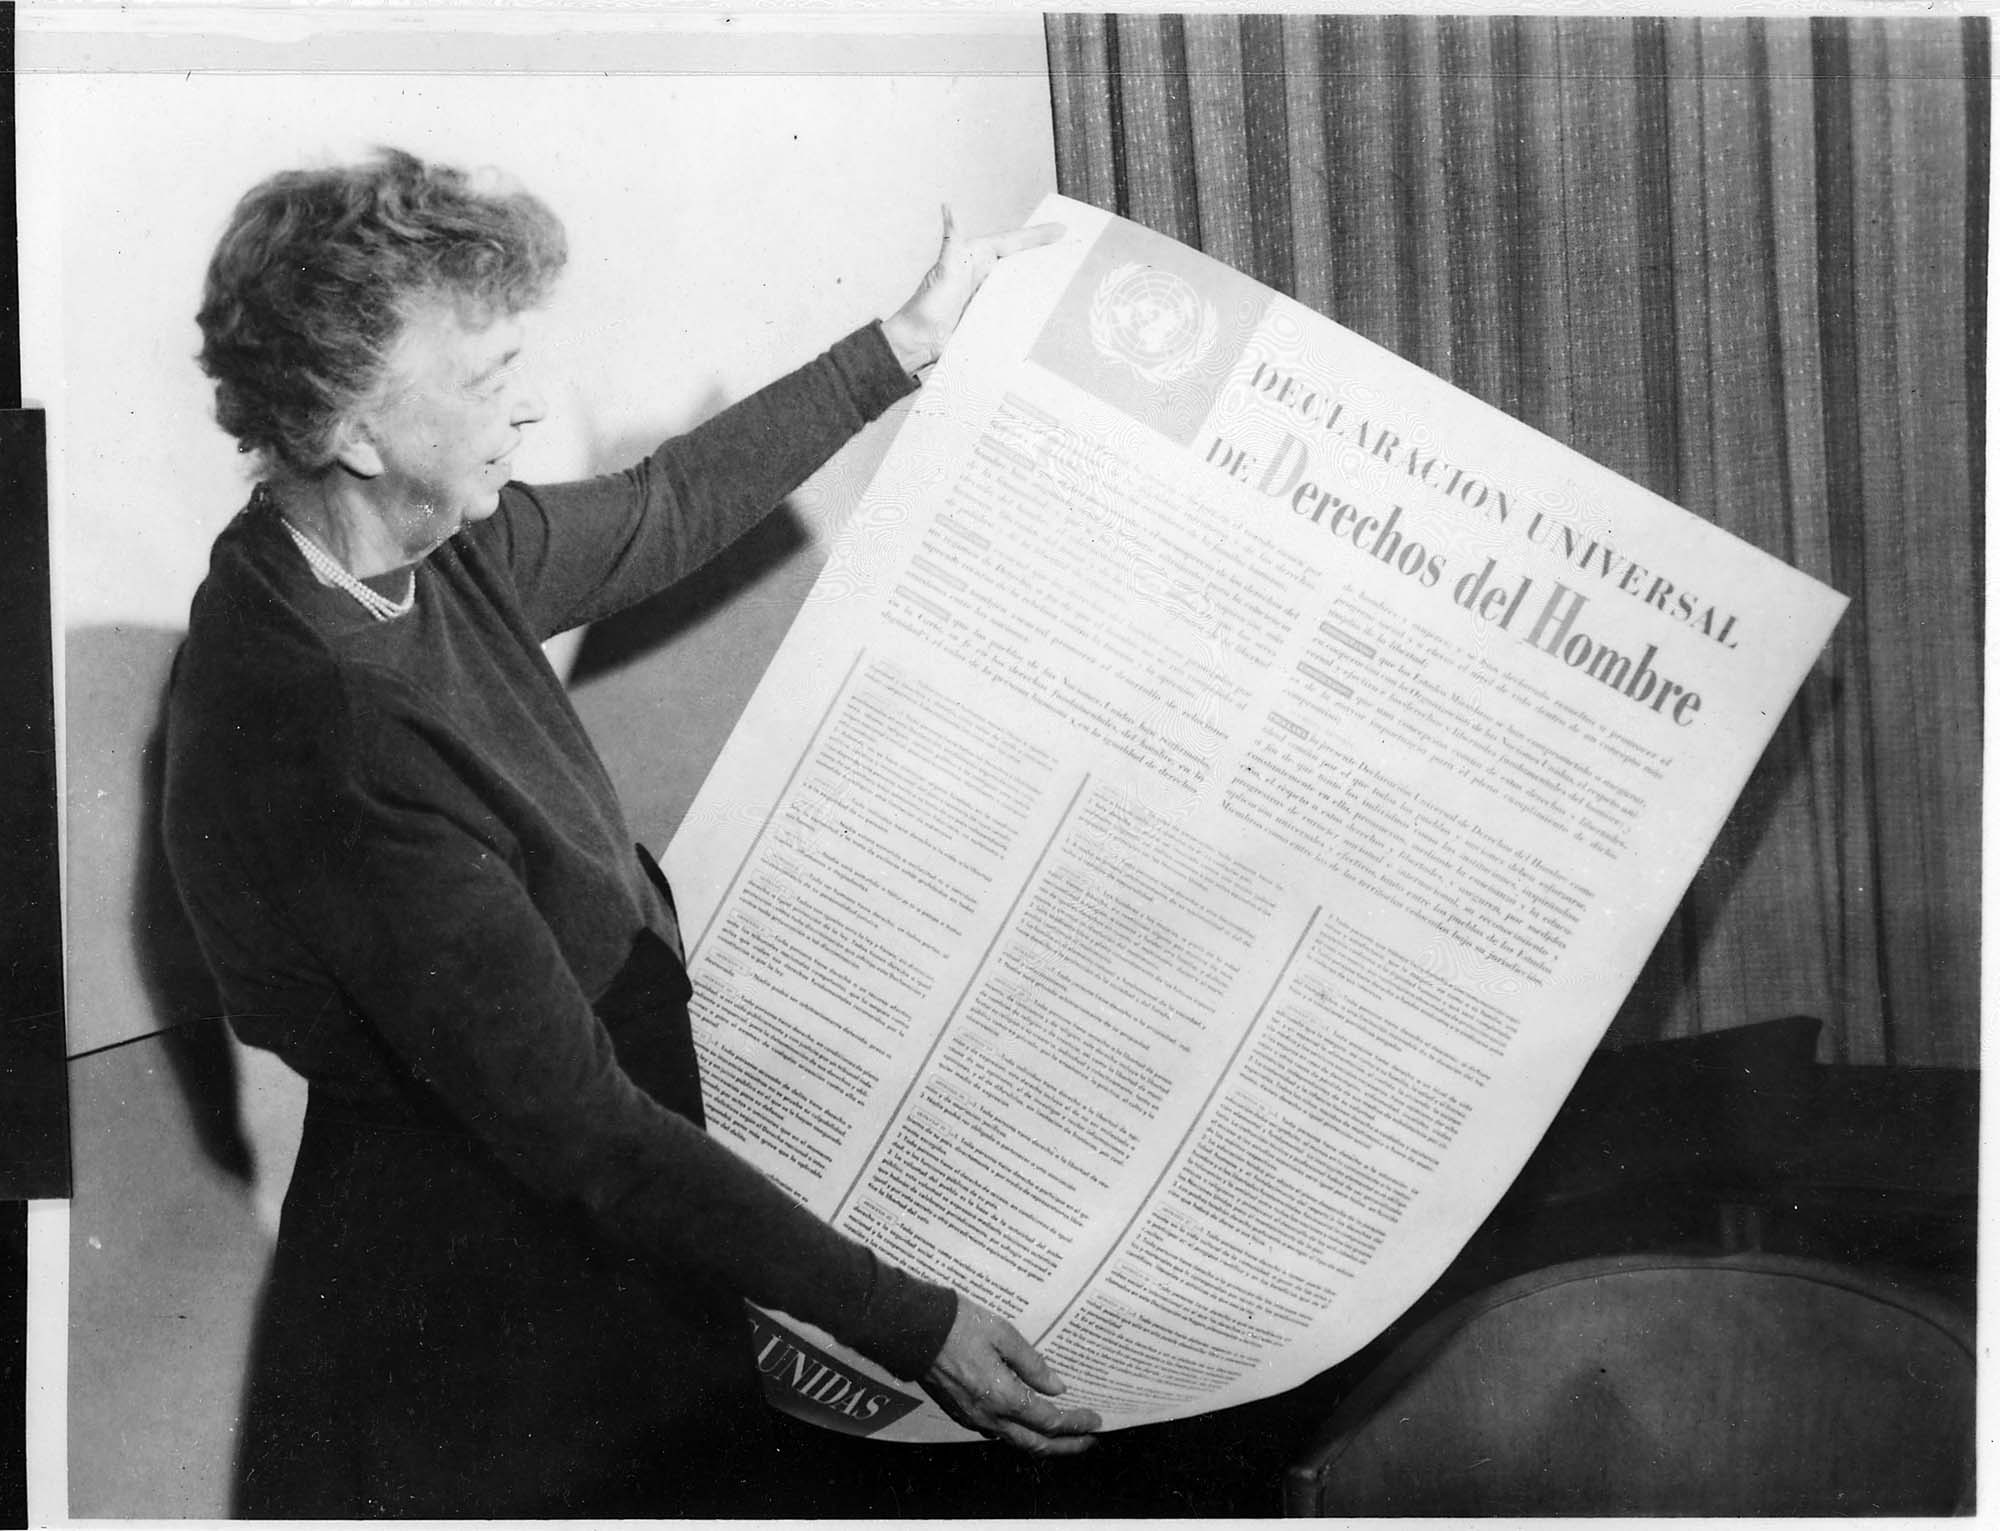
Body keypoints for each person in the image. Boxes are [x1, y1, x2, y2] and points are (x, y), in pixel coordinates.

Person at [162, 147, 1096, 1519]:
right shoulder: (330, 729)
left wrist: (902, 346)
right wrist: (912, 1324)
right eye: (487, 384)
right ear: (354, 428)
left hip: (582, 1160)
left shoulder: (410, 544)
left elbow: (663, 512)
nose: (533, 408)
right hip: (498, 1258)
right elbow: (585, 1133)